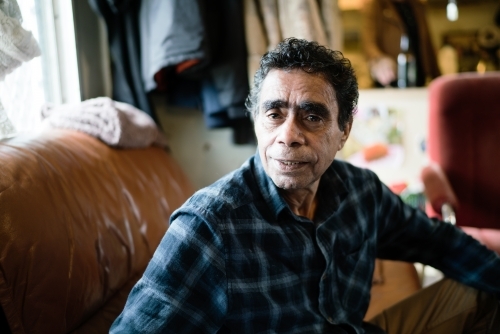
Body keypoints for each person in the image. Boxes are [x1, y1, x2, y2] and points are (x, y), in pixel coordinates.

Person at [110, 38, 500, 333]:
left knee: (482, 288)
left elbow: (441, 243)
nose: (288, 135)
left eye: (312, 116)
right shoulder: (209, 226)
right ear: (256, 122)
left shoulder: (360, 191)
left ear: (344, 130)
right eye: (274, 114)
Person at [361, 0, 441, 87]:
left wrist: (439, 80)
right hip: (391, 82)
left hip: (419, 80)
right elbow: (369, 43)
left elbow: (428, 46)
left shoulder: (418, 6)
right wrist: (379, 59)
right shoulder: (377, 5)